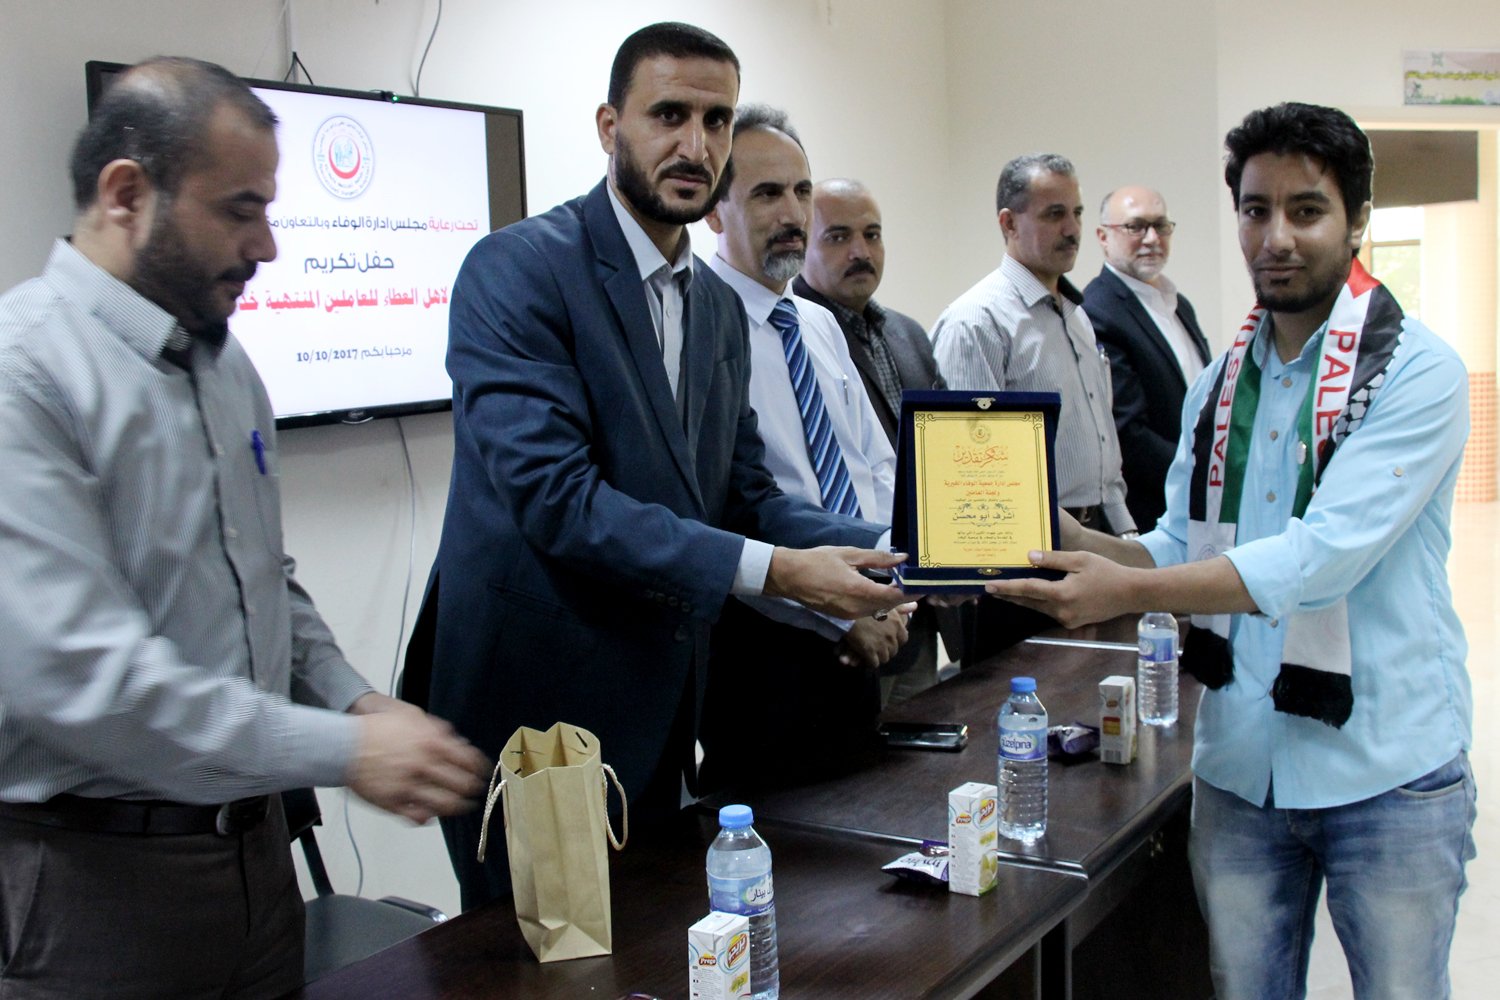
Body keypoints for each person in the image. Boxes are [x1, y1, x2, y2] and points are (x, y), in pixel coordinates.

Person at [0, 58, 488, 1000]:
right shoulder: (25, 375)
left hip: (256, 866)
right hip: (93, 888)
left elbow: (265, 577)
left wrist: (353, 700)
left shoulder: (225, 367)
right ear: (126, 194)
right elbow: (86, 680)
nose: (266, 244)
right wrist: (343, 752)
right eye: (239, 209)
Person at [989, 103, 1476, 1000]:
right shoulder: (1221, 380)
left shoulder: (1416, 373)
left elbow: (1319, 560)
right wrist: (1073, 539)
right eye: (1256, 210)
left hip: (1386, 771)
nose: (1276, 236)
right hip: (1242, 769)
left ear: (1357, 222)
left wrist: (1121, 593)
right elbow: (1181, 540)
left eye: (1306, 210)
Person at [425, 23, 907, 909]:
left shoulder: (717, 308)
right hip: (537, 716)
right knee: (540, 961)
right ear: (610, 127)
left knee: (649, 947)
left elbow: (744, 495)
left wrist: (902, 548)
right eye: (669, 115)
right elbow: (559, 502)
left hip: (660, 712)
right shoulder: (519, 270)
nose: (696, 145)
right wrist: (781, 572)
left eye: (716, 120)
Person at [698, 107, 907, 786]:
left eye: (801, 191)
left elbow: (876, 467)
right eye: (766, 193)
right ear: (714, 211)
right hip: (762, 648)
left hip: (865, 619)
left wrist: (898, 578)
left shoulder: (816, 323)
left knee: (864, 813)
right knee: (775, 832)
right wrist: (837, 616)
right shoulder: (698, 328)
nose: (792, 213)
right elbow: (726, 515)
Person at [931, 154, 1136, 660]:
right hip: (1024, 566)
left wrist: (1126, 535)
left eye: (1077, 213)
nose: (1072, 229)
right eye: (1054, 214)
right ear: (1008, 223)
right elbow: (975, 474)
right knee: (1029, 700)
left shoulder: (1075, 315)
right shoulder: (977, 322)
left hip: (1098, 542)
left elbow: (1101, 443)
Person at [794, 176, 953, 699]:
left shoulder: (907, 333)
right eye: (838, 236)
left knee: (924, 741)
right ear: (801, 243)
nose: (860, 251)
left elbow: (942, 460)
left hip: (922, 609)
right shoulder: (793, 335)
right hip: (841, 619)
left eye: (872, 234)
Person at [1083, 186, 1212, 532]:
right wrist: (1205, 475)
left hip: (1198, 506)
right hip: (1151, 514)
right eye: (1136, 226)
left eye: (1160, 225)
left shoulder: (1179, 305)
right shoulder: (1098, 312)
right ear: (1103, 237)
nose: (1152, 238)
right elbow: (1128, 436)